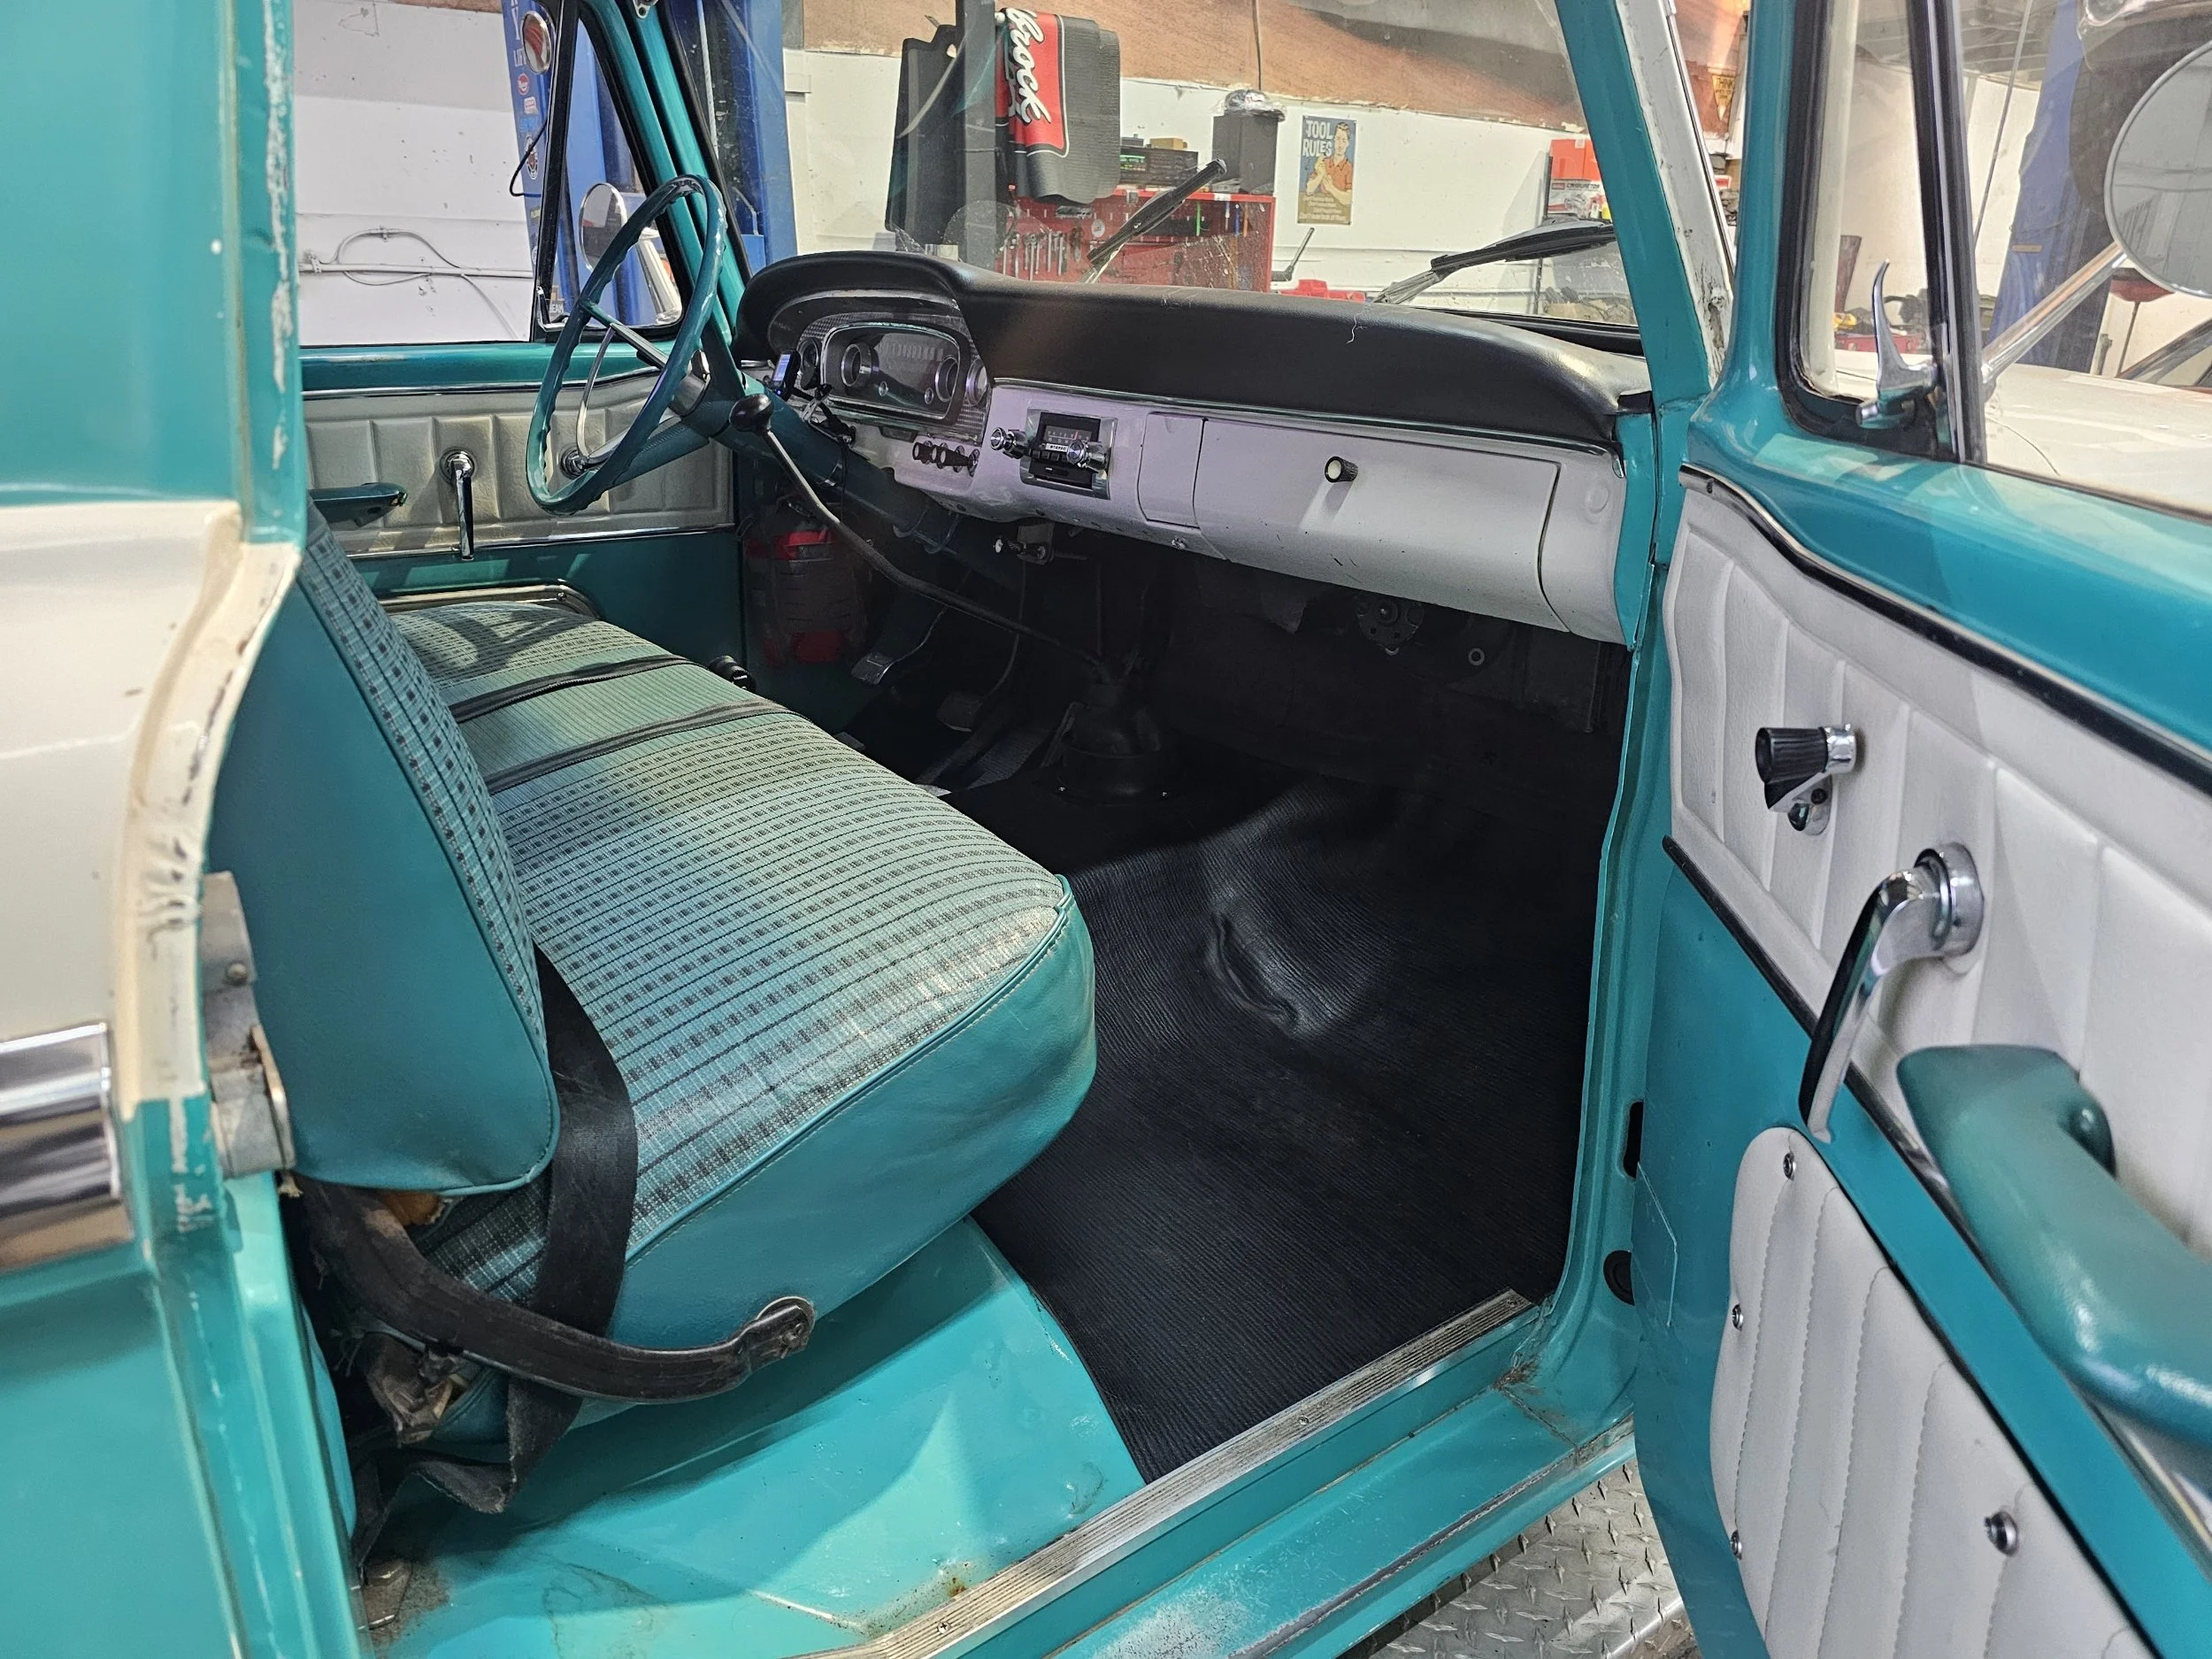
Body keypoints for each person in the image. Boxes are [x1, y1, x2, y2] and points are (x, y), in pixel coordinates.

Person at [1305, 121, 1354, 213]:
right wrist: (1320, 175)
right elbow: (1309, 189)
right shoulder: (1324, 163)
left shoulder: (1349, 168)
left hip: (1339, 214)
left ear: (1348, 143)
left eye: (1343, 140)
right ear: (1334, 140)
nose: (1340, 144)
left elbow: (1349, 199)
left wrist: (1330, 188)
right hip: (1318, 212)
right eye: (1338, 139)